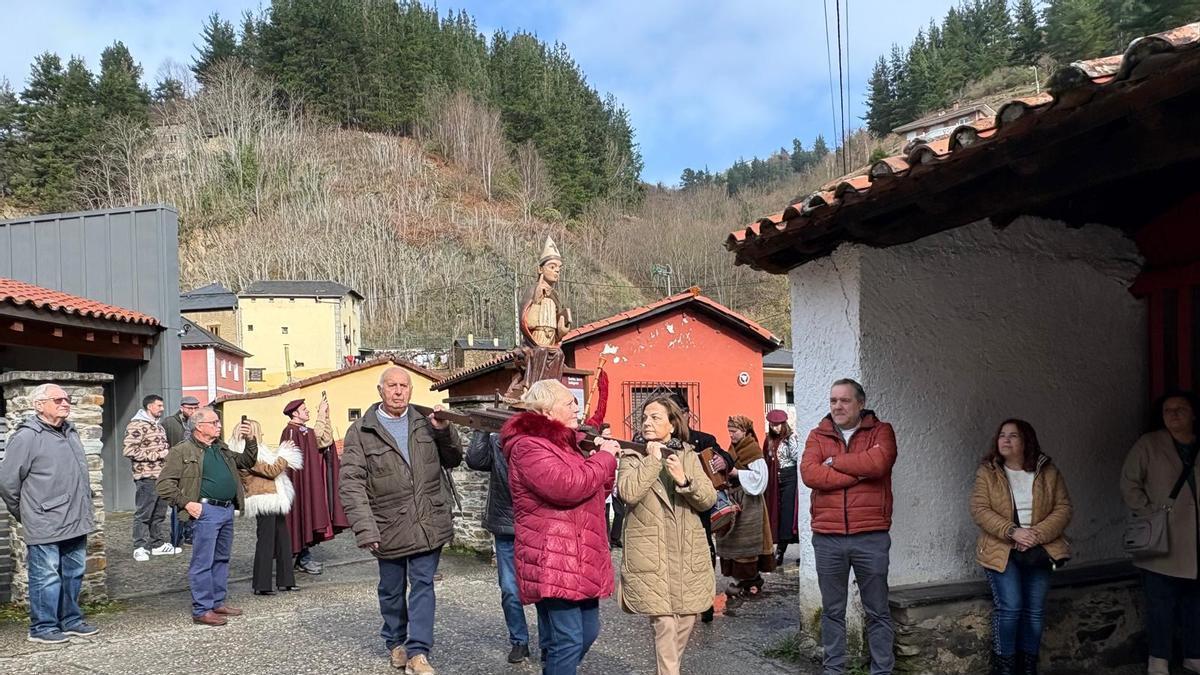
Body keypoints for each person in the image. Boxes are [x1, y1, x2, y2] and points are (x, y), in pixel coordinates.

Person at [340, 367, 461, 674]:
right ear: (380, 391)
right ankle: (396, 642)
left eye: (403, 386)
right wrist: (365, 527)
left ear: (410, 390)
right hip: (387, 524)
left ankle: (418, 651)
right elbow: (351, 483)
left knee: (423, 584)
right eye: (391, 386)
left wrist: (443, 430)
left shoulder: (425, 423)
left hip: (427, 520)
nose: (398, 391)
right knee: (392, 589)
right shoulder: (361, 431)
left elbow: (454, 458)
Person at [501, 379, 619, 675]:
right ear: (547, 409)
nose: (576, 407)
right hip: (553, 556)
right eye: (569, 402)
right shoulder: (528, 447)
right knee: (567, 640)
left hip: (581, 555)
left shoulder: (566, 446)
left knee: (587, 632)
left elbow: (594, 492)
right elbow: (566, 487)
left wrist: (602, 468)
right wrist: (604, 459)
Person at [800, 378, 897, 675]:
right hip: (828, 538)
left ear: (860, 403)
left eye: (844, 400)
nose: (837, 406)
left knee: (877, 611)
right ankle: (834, 671)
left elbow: (879, 464)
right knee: (832, 612)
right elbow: (810, 474)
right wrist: (858, 471)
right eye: (833, 401)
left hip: (871, 536)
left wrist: (834, 462)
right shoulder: (818, 435)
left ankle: (881, 671)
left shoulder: (881, 431)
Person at [618, 396, 716, 675]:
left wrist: (684, 479)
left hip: (687, 549)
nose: (647, 423)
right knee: (664, 622)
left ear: (672, 425)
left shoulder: (688, 455)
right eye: (644, 418)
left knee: (686, 617)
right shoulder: (632, 455)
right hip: (652, 550)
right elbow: (628, 492)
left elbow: (707, 500)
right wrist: (652, 459)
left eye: (655, 418)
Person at [970, 419, 1072, 675]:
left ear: (1026, 441)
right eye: (1002, 435)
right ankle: (1005, 667)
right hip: (1001, 550)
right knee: (1011, 608)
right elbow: (980, 509)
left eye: (1013, 436)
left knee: (1034, 613)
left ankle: (1028, 667)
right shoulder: (988, 472)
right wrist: (1012, 531)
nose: (1005, 440)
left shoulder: (1047, 471)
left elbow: (1063, 508)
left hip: (1039, 550)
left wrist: (1035, 535)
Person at [0, 383, 99, 643]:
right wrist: (26, 513)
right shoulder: (27, 437)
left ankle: (71, 620)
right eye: (58, 400)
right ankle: (43, 627)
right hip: (45, 519)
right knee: (46, 576)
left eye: (67, 399)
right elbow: (8, 483)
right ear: (39, 405)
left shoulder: (71, 432)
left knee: (74, 572)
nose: (65, 403)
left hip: (76, 518)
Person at [1121, 391, 1200, 675]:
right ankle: (1159, 659)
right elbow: (1129, 482)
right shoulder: (1149, 444)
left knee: (1195, 602)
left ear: (1193, 413)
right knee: (1160, 602)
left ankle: (1194, 654)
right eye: (1168, 410)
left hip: (1196, 541)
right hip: (1162, 537)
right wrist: (1149, 512)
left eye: (1181, 408)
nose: (1174, 414)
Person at [156, 407, 257, 626]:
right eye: (214, 423)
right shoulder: (182, 451)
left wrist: (250, 440)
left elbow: (246, 462)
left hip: (226, 509)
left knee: (221, 558)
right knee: (203, 561)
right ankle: (202, 609)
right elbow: (163, 484)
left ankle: (217, 602)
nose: (219, 426)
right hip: (205, 512)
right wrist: (186, 503)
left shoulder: (221, 448)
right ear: (199, 427)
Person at [465, 429, 531, 664]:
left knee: (546, 591)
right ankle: (519, 641)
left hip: (537, 526)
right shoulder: (497, 440)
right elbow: (475, 460)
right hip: (506, 527)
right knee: (510, 590)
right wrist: (481, 428)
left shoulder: (541, 436)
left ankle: (550, 643)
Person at [232, 419, 303, 596]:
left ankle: (285, 581)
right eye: (260, 431)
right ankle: (262, 584)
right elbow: (271, 470)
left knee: (282, 540)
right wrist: (285, 454)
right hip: (263, 498)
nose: (262, 435)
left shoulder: (254, 450)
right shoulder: (244, 451)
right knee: (266, 541)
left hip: (272, 497)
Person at [282, 396, 348, 575]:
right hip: (297, 486)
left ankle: (303, 557)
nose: (307, 411)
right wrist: (321, 413)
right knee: (300, 518)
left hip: (306, 483)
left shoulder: (301, 430)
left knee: (307, 516)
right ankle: (299, 559)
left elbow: (321, 439)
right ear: (295, 413)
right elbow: (316, 436)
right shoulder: (292, 431)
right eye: (304, 409)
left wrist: (324, 415)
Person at [715, 415, 774, 604]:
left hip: (749, 503)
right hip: (737, 498)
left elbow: (761, 478)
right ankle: (749, 580)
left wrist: (736, 473)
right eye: (729, 431)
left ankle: (744, 580)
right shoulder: (735, 447)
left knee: (746, 543)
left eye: (734, 431)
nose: (731, 435)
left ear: (745, 432)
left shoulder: (752, 449)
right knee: (733, 539)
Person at [122, 394, 178, 561]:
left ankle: (157, 544)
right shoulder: (136, 425)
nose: (162, 408)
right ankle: (140, 546)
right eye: (159, 406)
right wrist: (159, 454)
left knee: (159, 512)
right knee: (144, 513)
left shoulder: (159, 426)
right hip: (146, 476)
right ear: (149, 407)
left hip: (162, 477)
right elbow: (129, 450)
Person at [162, 395, 200, 548]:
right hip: (177, 467)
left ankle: (190, 535)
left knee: (193, 500)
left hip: (194, 467)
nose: (192, 411)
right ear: (182, 407)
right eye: (190, 408)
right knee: (177, 503)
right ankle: (176, 538)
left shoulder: (198, 422)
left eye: (195, 408)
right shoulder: (169, 423)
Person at [764, 409, 800, 566]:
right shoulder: (769, 440)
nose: (775, 428)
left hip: (790, 478)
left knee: (788, 515)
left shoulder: (790, 439)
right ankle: (777, 549)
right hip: (774, 479)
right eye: (772, 425)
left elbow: (797, 458)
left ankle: (781, 551)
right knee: (776, 513)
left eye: (778, 425)